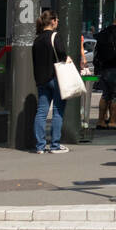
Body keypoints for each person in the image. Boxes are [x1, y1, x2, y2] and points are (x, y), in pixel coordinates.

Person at [32, 10, 75, 155]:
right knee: (58, 112)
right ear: (53, 21)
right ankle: (55, 145)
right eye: (57, 20)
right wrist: (67, 58)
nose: (58, 22)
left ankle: (40, 146)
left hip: (41, 80)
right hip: (56, 78)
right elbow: (62, 53)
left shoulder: (37, 39)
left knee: (41, 112)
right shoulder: (55, 36)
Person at [93, 13, 116, 130]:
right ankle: (112, 121)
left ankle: (100, 120)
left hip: (104, 68)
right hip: (115, 68)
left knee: (105, 94)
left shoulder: (104, 31)